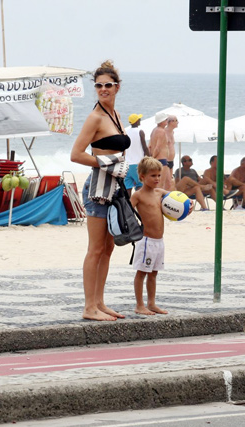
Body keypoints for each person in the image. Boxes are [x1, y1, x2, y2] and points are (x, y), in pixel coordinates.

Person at [70, 60, 130, 322]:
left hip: (114, 188)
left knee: (108, 248)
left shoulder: (114, 115)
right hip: (97, 188)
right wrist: (106, 162)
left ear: (117, 87)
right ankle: (88, 307)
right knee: (95, 249)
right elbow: (76, 154)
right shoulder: (95, 117)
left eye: (108, 85)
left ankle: (99, 302)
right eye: (98, 86)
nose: (103, 89)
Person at [130, 157, 168, 315]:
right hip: (146, 241)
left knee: (154, 273)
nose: (157, 179)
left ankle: (151, 303)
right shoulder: (138, 195)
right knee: (142, 272)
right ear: (142, 177)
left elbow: (177, 200)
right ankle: (139, 305)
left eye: (159, 175)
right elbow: (127, 213)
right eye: (153, 176)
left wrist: (189, 205)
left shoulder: (160, 193)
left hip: (159, 241)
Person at [123, 113, 151, 195]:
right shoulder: (140, 131)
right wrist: (150, 159)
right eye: (139, 119)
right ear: (136, 121)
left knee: (128, 187)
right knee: (140, 185)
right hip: (138, 164)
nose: (140, 120)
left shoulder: (126, 132)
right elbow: (144, 147)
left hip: (127, 164)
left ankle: (128, 205)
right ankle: (139, 204)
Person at [149, 112, 171, 189]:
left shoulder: (154, 130)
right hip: (160, 160)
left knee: (168, 183)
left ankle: (163, 200)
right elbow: (157, 147)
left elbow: (150, 146)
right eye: (166, 119)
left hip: (161, 160)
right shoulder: (161, 131)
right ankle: (157, 201)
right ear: (162, 121)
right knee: (160, 185)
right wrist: (152, 159)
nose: (167, 121)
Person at [164, 115, 178, 189]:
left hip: (171, 161)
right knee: (169, 182)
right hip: (165, 161)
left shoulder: (172, 132)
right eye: (176, 120)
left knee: (169, 183)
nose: (178, 122)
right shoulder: (164, 132)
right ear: (171, 122)